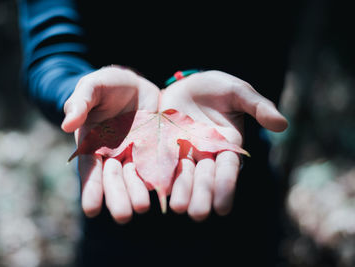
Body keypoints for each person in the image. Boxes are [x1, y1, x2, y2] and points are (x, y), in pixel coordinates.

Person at [18, 1, 301, 266]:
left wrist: (231, 87)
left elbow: (269, 46)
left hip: (242, 204)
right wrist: (79, 91)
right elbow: (51, 55)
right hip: (113, 218)